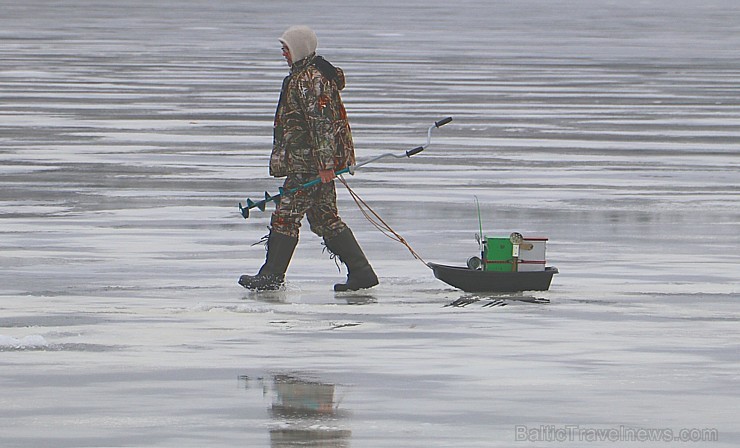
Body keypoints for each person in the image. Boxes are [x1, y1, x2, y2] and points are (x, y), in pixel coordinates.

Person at [239, 25, 378, 292]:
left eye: (286, 48)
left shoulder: (310, 80)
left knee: (285, 217)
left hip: (309, 165)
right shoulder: (303, 76)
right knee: (325, 218)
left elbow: (322, 125)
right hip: (309, 162)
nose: (283, 54)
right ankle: (361, 272)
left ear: (299, 48)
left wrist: (326, 166)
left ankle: (271, 276)